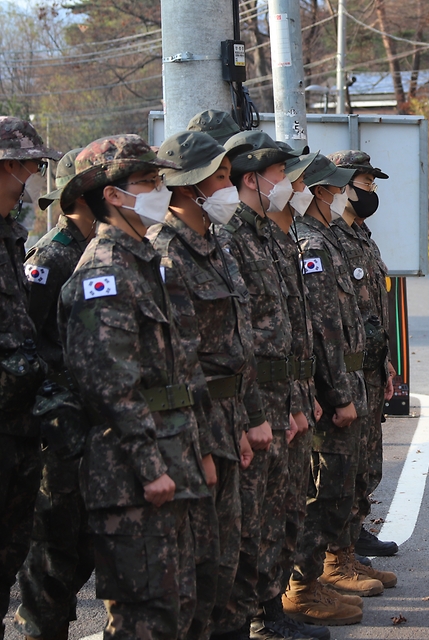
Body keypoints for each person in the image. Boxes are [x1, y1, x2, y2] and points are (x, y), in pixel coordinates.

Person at [57, 134, 209, 639]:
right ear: (114, 196)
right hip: (131, 475)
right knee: (145, 616)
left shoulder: (145, 263)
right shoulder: (104, 272)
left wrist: (194, 450)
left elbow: (177, 370)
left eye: (160, 180)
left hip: (170, 458)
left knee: (179, 605)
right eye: (147, 182)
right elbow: (110, 385)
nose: (159, 191)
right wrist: (149, 467)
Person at [147, 131, 264, 640]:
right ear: (190, 186)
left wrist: (242, 422)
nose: (229, 186)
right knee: (195, 568)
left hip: (226, 416)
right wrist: (199, 446)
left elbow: (237, 345)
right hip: (194, 425)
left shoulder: (215, 245)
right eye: (219, 177)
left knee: (227, 556)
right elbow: (178, 360)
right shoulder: (164, 253)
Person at [216, 131, 324, 640]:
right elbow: (238, 341)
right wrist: (250, 416)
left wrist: (301, 401)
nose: (286, 183)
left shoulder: (268, 234)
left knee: (281, 510)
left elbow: (291, 331)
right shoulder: (230, 235)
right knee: (252, 519)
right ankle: (254, 617)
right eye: (279, 174)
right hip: (254, 402)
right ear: (251, 178)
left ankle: (271, 610)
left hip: (284, 397)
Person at [283, 151, 373, 626]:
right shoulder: (310, 245)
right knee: (322, 490)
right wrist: (335, 393)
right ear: (318, 191)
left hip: (348, 376)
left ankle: (319, 575)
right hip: (330, 384)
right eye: (337, 189)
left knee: (339, 485)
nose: (344, 197)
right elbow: (320, 328)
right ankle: (303, 584)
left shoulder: (328, 238)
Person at [15, 148, 97, 640]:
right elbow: (24, 339)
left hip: (86, 428)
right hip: (55, 431)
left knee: (82, 547)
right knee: (51, 555)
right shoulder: (50, 258)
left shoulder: (92, 250)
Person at [0, 116, 61, 637]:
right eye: (32, 167)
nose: (36, 179)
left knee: (9, 560)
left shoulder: (10, 238)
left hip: (19, 431)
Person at [328, 150, 400, 563]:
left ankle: (356, 528)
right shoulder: (330, 235)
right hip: (347, 365)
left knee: (369, 457)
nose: (372, 192)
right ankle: (342, 541)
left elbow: (373, 306)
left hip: (370, 362)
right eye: (366, 183)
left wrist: (386, 358)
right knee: (348, 458)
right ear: (343, 185)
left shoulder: (361, 234)